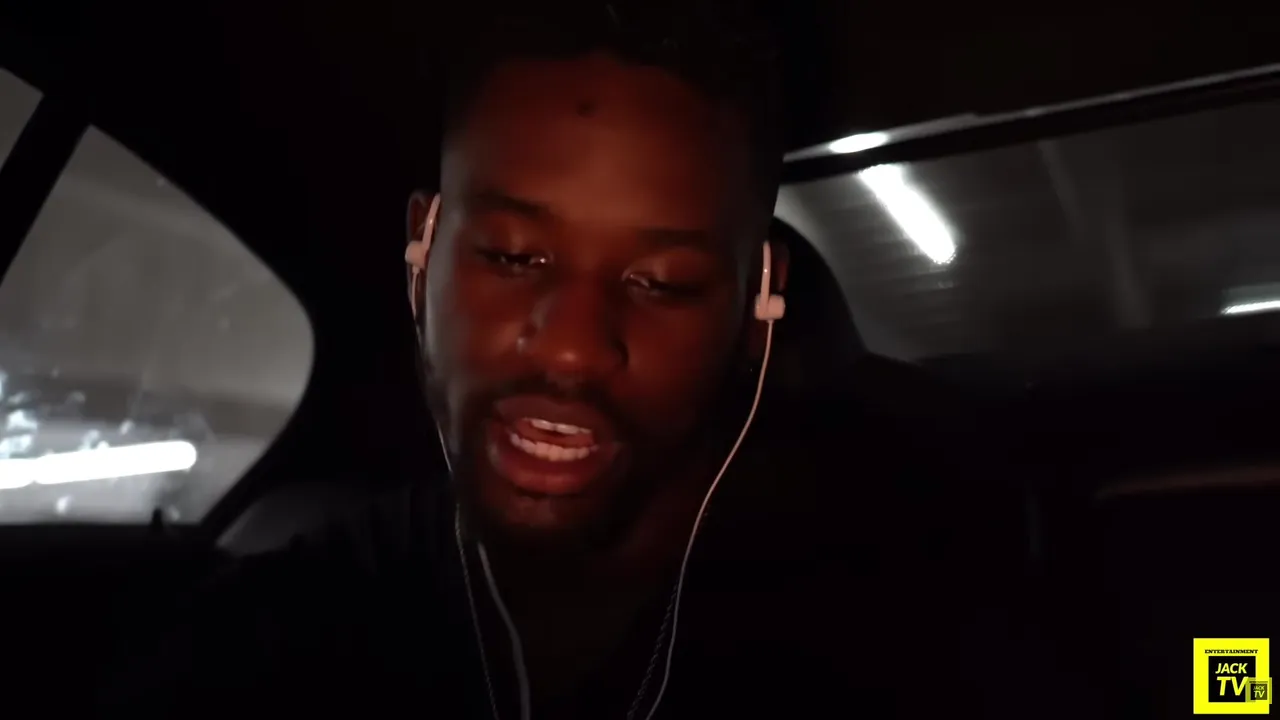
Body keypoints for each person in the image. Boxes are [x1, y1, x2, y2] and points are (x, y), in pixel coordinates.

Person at [100, 2, 1034, 718]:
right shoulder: (277, 636)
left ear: (759, 306)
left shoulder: (907, 628)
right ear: (423, 253)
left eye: (662, 281)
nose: (575, 345)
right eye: (513, 257)